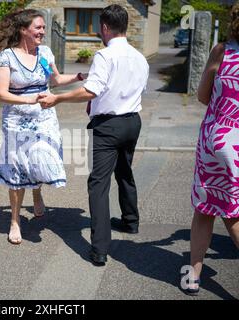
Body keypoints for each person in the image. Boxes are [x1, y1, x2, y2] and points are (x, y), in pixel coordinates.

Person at [38, 4, 149, 265]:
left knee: (98, 184)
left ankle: (99, 249)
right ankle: (130, 222)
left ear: (106, 27)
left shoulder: (105, 56)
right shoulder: (140, 57)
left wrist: (58, 99)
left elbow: (91, 90)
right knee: (124, 171)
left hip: (109, 126)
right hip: (133, 121)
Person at [0, 9, 87, 244]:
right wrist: (28, 100)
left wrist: (78, 76)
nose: (42, 31)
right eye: (38, 27)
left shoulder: (45, 53)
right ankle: (15, 221)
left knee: (40, 159)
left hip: (45, 118)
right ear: (23, 30)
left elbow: (55, 80)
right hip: (16, 120)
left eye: (43, 28)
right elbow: (2, 92)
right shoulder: (6, 57)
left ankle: (37, 192)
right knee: (17, 167)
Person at [187, 2, 239, 296]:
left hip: (216, 136)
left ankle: (193, 275)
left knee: (206, 208)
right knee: (232, 212)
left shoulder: (222, 51)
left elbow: (202, 95)